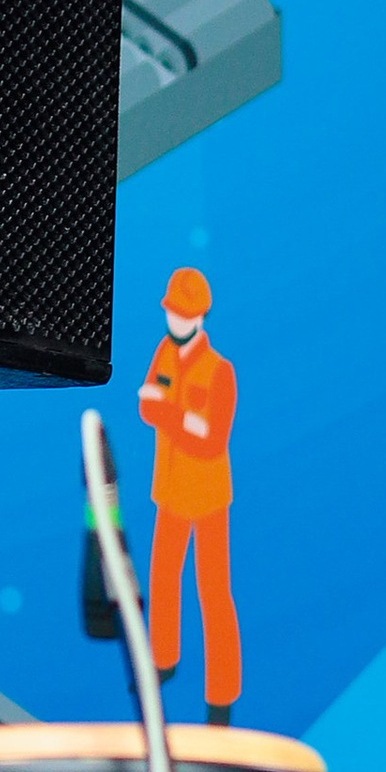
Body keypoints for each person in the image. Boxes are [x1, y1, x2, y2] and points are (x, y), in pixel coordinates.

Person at [140, 264, 241, 722]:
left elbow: (212, 439)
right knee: (162, 579)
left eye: (183, 314)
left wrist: (172, 416)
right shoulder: (163, 352)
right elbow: (146, 405)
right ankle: (162, 662)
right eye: (171, 313)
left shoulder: (220, 372)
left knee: (213, 592)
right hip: (170, 490)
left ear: (199, 316)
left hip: (208, 499)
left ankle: (221, 696)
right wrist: (178, 418)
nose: (175, 321)